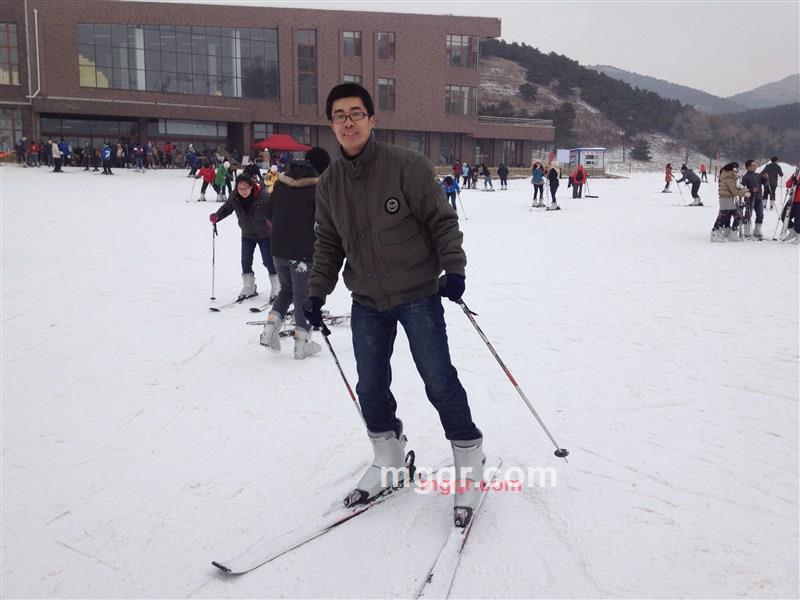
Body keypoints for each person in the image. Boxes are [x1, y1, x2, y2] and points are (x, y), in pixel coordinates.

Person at [304, 82, 484, 526]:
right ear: (331, 124)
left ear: (372, 119)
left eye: (355, 113)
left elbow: (441, 221)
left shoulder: (407, 166)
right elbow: (328, 243)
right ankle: (388, 457)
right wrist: (316, 291)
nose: (348, 122)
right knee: (370, 386)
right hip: (367, 299)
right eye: (339, 115)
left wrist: (454, 267)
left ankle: (469, 458)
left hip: (418, 293)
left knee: (438, 380)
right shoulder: (330, 183)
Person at [260, 147, 331, 358]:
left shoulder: (281, 181)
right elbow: (325, 220)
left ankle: (269, 330)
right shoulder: (319, 188)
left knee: (287, 290)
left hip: (278, 246)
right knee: (303, 296)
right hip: (303, 250)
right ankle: (302, 343)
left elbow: (268, 210)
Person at [209, 175, 280, 302]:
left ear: (251, 187)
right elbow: (227, 208)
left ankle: (277, 286)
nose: (243, 191)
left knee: (268, 260)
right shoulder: (234, 197)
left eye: (246, 188)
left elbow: (275, 210)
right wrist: (217, 216)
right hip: (247, 234)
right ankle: (249, 287)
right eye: (240, 188)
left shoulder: (263, 196)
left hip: (265, 234)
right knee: (245, 261)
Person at [710, 162, 749, 242]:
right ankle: (715, 233)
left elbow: (733, 188)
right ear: (732, 169)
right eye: (736, 169)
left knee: (734, 216)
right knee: (724, 217)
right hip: (726, 199)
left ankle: (731, 232)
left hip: (728, 199)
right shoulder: (728, 177)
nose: (737, 171)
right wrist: (744, 194)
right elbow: (734, 191)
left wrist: (742, 189)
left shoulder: (729, 176)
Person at [740, 159, 764, 239]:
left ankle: (757, 230)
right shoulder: (745, 177)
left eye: (755, 165)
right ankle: (746, 229)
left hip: (759, 198)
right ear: (748, 167)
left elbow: (765, 183)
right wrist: (751, 190)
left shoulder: (758, 175)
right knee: (748, 214)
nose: (755, 167)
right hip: (750, 198)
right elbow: (743, 188)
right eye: (753, 165)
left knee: (760, 214)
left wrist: (765, 178)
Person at [781, 171, 800, 243]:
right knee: (784, 217)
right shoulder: (796, 173)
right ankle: (793, 232)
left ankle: (798, 235)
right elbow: (787, 185)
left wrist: (798, 184)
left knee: (798, 221)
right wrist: (792, 179)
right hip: (792, 200)